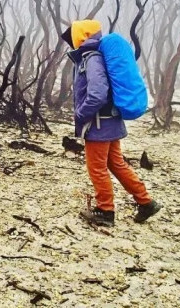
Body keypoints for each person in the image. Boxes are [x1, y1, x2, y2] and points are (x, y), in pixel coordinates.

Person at [61, 19, 162, 227]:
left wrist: (81, 114)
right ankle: (146, 202)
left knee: (96, 168)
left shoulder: (91, 58)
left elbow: (97, 94)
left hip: (99, 124)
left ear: (80, 36)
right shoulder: (94, 56)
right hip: (110, 121)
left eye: (71, 37)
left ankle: (105, 211)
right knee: (115, 163)